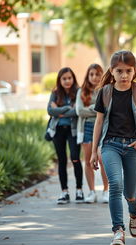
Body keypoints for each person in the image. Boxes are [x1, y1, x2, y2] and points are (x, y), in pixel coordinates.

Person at [90, 50, 136, 245]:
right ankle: (118, 230)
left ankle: (135, 211)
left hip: (134, 146)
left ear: (135, 70)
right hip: (111, 145)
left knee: (130, 193)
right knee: (115, 185)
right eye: (119, 71)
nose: (124, 75)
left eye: (128, 71)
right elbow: (99, 123)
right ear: (112, 71)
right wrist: (94, 151)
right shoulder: (105, 92)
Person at [47, 67, 84, 204]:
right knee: (61, 160)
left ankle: (79, 191)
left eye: (69, 78)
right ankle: (64, 192)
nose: (67, 81)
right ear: (60, 80)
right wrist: (66, 109)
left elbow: (77, 111)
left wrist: (60, 110)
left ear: (73, 78)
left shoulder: (78, 92)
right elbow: (50, 110)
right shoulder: (55, 92)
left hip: (73, 130)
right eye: (64, 78)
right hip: (58, 130)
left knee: (75, 158)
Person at [76, 64, 109, 203]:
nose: (94, 77)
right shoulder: (81, 92)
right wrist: (96, 109)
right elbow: (80, 111)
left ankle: (106, 191)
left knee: (103, 160)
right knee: (89, 160)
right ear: (87, 76)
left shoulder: (106, 90)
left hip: (103, 128)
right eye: (91, 74)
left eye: (97, 74)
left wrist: (90, 108)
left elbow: (108, 110)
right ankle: (91, 192)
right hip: (86, 128)